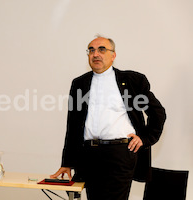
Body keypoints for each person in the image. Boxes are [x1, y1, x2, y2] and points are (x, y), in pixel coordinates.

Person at [51, 35, 166, 200]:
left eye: (102, 49)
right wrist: (67, 162)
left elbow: (158, 113)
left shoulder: (133, 80)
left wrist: (145, 138)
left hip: (120, 154)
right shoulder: (79, 84)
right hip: (89, 156)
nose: (96, 54)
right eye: (91, 50)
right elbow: (73, 125)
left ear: (113, 55)